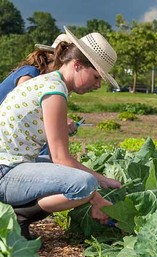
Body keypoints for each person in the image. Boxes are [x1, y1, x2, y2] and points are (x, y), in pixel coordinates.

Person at [0, 26, 121, 240]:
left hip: (9, 164)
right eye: (96, 76)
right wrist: (98, 190)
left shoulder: (48, 82)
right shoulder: (54, 91)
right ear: (77, 65)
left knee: (73, 174)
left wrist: (100, 180)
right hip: (4, 171)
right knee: (84, 184)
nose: (98, 84)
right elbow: (61, 159)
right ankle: (19, 218)